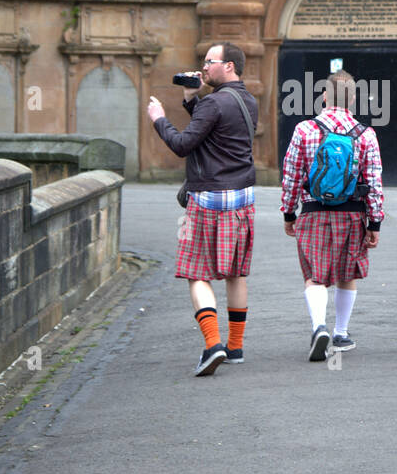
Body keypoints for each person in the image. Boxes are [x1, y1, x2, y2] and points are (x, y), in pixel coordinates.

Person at [147, 42, 258, 377]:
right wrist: (190, 99)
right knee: (236, 273)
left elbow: (183, 145)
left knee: (198, 273)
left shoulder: (213, 103)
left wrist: (160, 120)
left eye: (209, 62)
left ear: (229, 66)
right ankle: (235, 348)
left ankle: (212, 346)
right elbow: (215, 130)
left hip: (209, 199)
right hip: (242, 198)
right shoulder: (248, 101)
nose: (203, 68)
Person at [280, 70, 385, 361]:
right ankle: (340, 333)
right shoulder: (366, 134)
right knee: (346, 274)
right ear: (352, 99)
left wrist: (289, 212)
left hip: (314, 212)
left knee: (315, 275)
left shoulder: (305, 130)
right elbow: (374, 181)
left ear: (325, 96)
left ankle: (318, 327)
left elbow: (291, 175)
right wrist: (374, 221)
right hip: (352, 214)